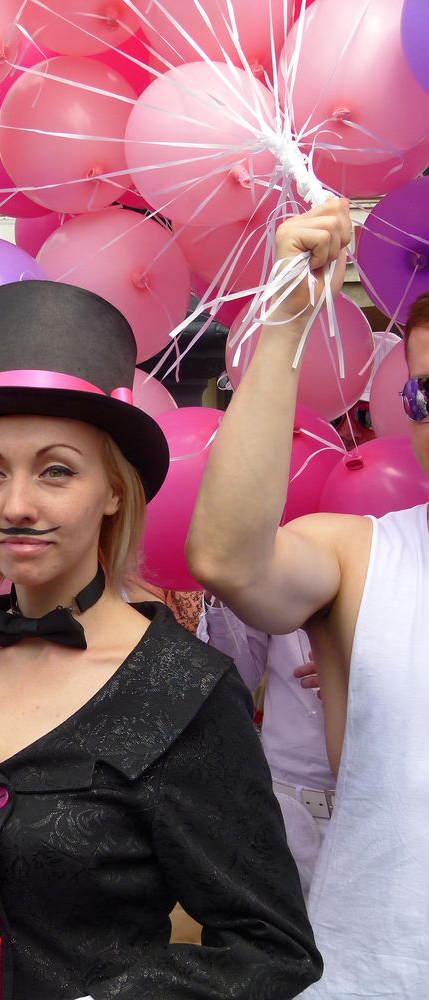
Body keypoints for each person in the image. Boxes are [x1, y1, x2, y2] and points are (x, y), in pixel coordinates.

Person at [0, 280, 322, 1000]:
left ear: (112, 488)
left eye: (56, 471)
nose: (15, 505)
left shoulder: (181, 688)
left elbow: (270, 947)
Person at [186, 198, 429, 998]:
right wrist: (287, 318)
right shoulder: (363, 557)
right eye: (424, 396)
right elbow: (227, 558)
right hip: (379, 974)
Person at [197, 602, 335, 897]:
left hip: (384, 806)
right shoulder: (274, 564)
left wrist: (360, 674)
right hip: (288, 810)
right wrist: (222, 598)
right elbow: (236, 681)